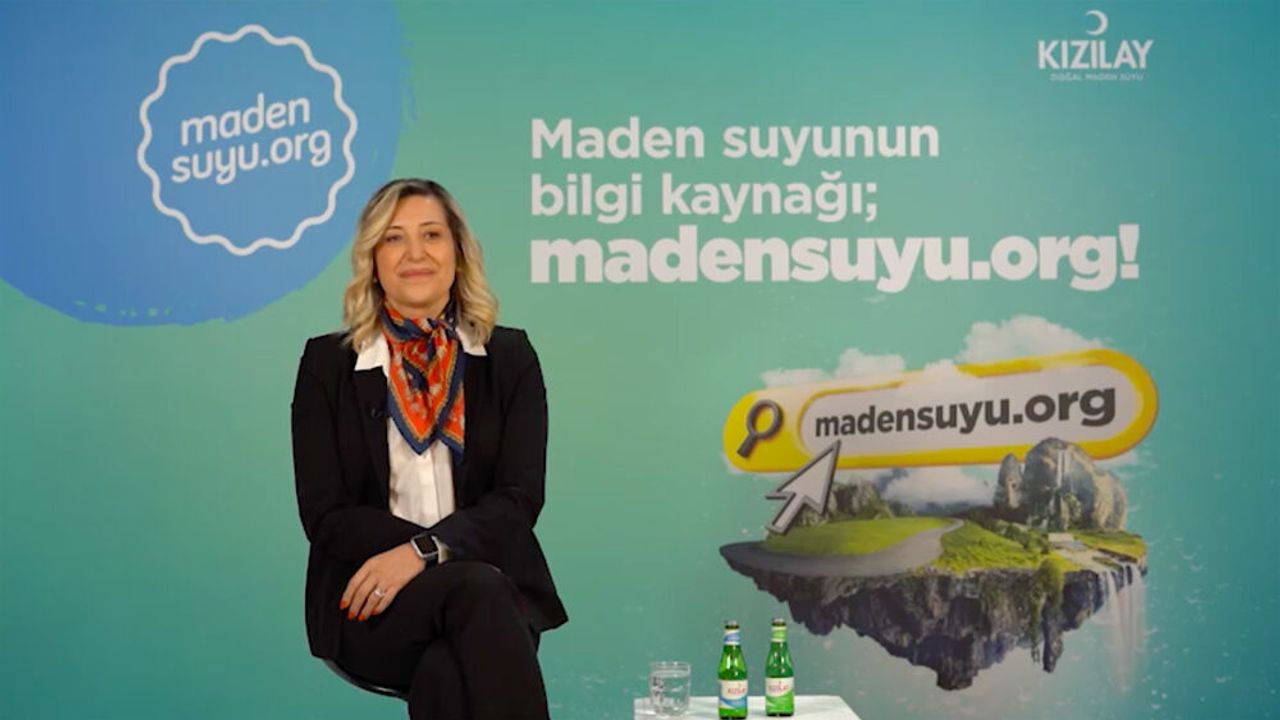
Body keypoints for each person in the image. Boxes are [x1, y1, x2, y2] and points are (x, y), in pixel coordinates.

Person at [290, 178, 567, 720]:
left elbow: (518, 500)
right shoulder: (328, 365)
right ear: (373, 260)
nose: (414, 253)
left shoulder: (509, 357)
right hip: (371, 601)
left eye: (432, 235)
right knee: (477, 591)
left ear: (458, 252)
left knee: (446, 668)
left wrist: (423, 552)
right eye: (394, 238)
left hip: (488, 594)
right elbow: (326, 514)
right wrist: (410, 559)